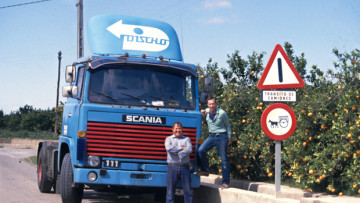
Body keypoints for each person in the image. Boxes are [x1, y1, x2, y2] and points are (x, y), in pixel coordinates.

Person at [198, 96, 232, 188]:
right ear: (207, 104)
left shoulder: (222, 113)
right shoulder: (206, 111)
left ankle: (225, 182)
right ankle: (205, 169)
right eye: (210, 104)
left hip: (222, 136)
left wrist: (229, 138)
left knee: (224, 160)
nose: (211, 105)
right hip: (211, 136)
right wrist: (201, 112)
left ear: (216, 104)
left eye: (213, 103)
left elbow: (228, 125)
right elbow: (200, 114)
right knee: (201, 150)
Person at [165, 121, 193, 203]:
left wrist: (177, 152)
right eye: (176, 129)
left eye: (180, 128)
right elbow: (168, 148)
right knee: (170, 191)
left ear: (182, 129)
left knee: (188, 191)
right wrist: (182, 148)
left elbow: (189, 149)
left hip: (185, 167)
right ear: (172, 129)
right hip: (172, 167)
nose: (178, 130)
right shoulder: (168, 139)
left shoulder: (187, 139)